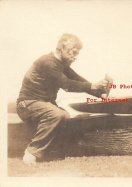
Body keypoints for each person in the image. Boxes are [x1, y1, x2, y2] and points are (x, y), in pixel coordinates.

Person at [16, 33, 109, 165]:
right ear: (61, 49)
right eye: (73, 52)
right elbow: (67, 85)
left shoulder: (60, 64)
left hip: (41, 104)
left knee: (65, 115)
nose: (75, 56)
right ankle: (31, 152)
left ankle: (51, 152)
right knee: (56, 115)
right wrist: (94, 86)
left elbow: (77, 79)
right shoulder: (48, 62)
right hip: (27, 104)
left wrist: (100, 93)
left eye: (77, 53)